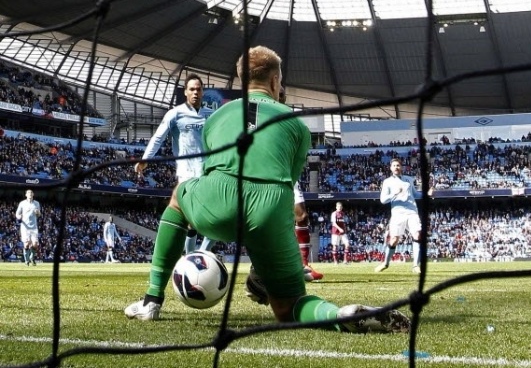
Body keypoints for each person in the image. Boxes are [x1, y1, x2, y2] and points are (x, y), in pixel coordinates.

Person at [125, 46, 409, 333]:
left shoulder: (214, 119)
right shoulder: (296, 125)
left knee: (178, 196)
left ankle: (151, 299)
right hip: (270, 209)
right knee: (288, 308)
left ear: (240, 81)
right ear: (274, 81)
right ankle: (339, 314)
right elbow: (287, 179)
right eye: (281, 81)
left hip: (218, 202)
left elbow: (214, 167)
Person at [136, 73, 214, 254]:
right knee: (191, 220)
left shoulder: (211, 115)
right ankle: (191, 256)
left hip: (209, 172)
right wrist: (145, 160)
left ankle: (201, 253)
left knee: (218, 217)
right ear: (186, 92)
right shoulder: (175, 114)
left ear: (203, 92)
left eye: (199, 89)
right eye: (192, 89)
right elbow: (158, 138)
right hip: (186, 173)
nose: (195, 92)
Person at [278, 86, 323, 282]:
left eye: (282, 93)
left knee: (302, 216)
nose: (279, 95)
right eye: (276, 91)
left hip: (288, 174)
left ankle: (303, 265)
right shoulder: (257, 112)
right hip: (264, 172)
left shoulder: (289, 118)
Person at [375, 158, 432, 274]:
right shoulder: (387, 182)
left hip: (412, 211)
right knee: (394, 240)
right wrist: (394, 193)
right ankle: (385, 263)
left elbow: (415, 194)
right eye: (394, 166)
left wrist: (426, 194)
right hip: (397, 213)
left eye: (398, 165)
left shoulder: (408, 180)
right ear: (391, 168)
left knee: (417, 234)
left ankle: (416, 265)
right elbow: (383, 200)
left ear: (401, 167)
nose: (396, 167)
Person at [15, 189, 40, 266]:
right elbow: (17, 214)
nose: (30, 194)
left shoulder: (36, 203)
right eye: (28, 193)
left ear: (33, 194)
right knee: (26, 244)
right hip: (25, 227)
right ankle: (27, 260)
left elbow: (39, 215)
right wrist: (19, 217)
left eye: (31, 193)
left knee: (35, 244)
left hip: (34, 227)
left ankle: (32, 258)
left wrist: (38, 213)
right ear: (26, 195)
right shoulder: (22, 203)